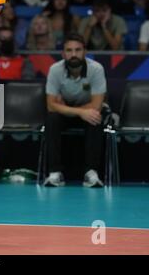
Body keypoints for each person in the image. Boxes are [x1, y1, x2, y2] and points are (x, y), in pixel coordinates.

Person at [44, 33, 106, 187]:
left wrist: (70, 108)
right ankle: (55, 173)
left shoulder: (96, 69)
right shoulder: (55, 69)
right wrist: (79, 111)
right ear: (63, 53)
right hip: (69, 113)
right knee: (52, 118)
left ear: (85, 52)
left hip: (86, 112)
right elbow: (51, 105)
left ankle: (91, 172)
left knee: (96, 117)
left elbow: (97, 104)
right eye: (69, 50)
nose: (73, 54)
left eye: (78, 50)